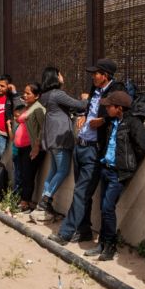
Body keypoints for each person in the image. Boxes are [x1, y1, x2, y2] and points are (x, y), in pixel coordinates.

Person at [49, 58, 127, 245]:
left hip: (94, 150)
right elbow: (90, 109)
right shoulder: (96, 90)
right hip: (81, 145)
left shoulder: (116, 91)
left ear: (105, 75)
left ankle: (65, 233)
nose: (93, 76)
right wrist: (83, 115)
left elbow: (124, 112)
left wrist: (104, 119)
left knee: (81, 193)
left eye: (96, 73)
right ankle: (84, 230)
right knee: (83, 194)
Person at [79, 91, 145, 261]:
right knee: (104, 208)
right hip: (106, 168)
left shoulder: (133, 123)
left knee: (107, 207)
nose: (106, 109)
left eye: (109, 106)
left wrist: (128, 163)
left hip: (119, 172)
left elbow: (143, 146)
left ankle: (111, 246)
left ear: (119, 108)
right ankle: (102, 243)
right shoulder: (111, 121)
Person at [37, 66, 88, 215]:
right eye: (60, 74)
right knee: (63, 170)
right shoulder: (57, 94)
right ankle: (46, 199)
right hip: (60, 137)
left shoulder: (45, 95)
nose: (62, 76)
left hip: (51, 136)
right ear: (55, 77)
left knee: (53, 170)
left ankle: (43, 201)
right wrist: (86, 99)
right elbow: (79, 105)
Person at [13, 82, 46, 212]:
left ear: (37, 96)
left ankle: (25, 202)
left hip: (32, 148)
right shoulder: (28, 107)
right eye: (24, 92)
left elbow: (43, 129)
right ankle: (22, 199)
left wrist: (36, 147)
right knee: (23, 174)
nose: (25, 95)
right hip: (22, 147)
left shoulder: (38, 109)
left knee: (28, 176)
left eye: (28, 93)